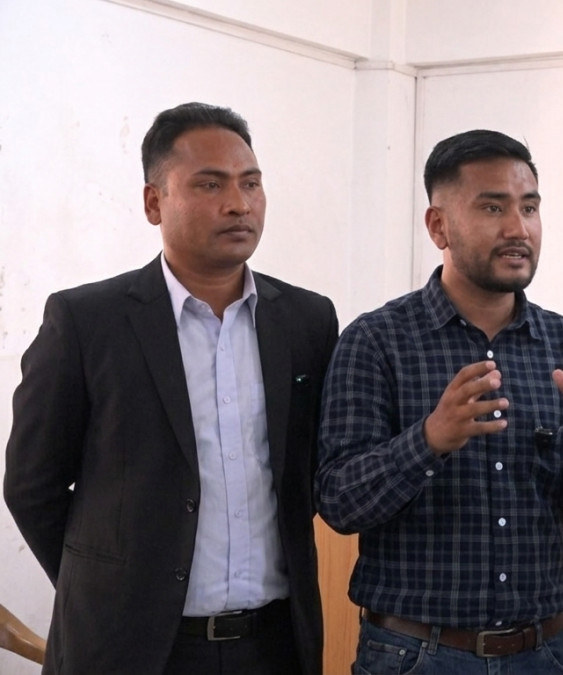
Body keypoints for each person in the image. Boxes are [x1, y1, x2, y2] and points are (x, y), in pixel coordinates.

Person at [4, 102, 338, 674]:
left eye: (251, 183)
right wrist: (106, 585)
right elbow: (32, 485)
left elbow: (308, 473)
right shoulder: (88, 321)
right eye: (210, 184)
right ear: (153, 202)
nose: (238, 204)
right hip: (129, 648)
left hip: (274, 645)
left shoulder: (306, 321)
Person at [316, 129, 563, 673]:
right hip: (416, 654)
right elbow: (338, 501)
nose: (518, 229)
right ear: (438, 226)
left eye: (529, 207)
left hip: (543, 653)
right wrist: (428, 441)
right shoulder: (377, 341)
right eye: (492, 207)